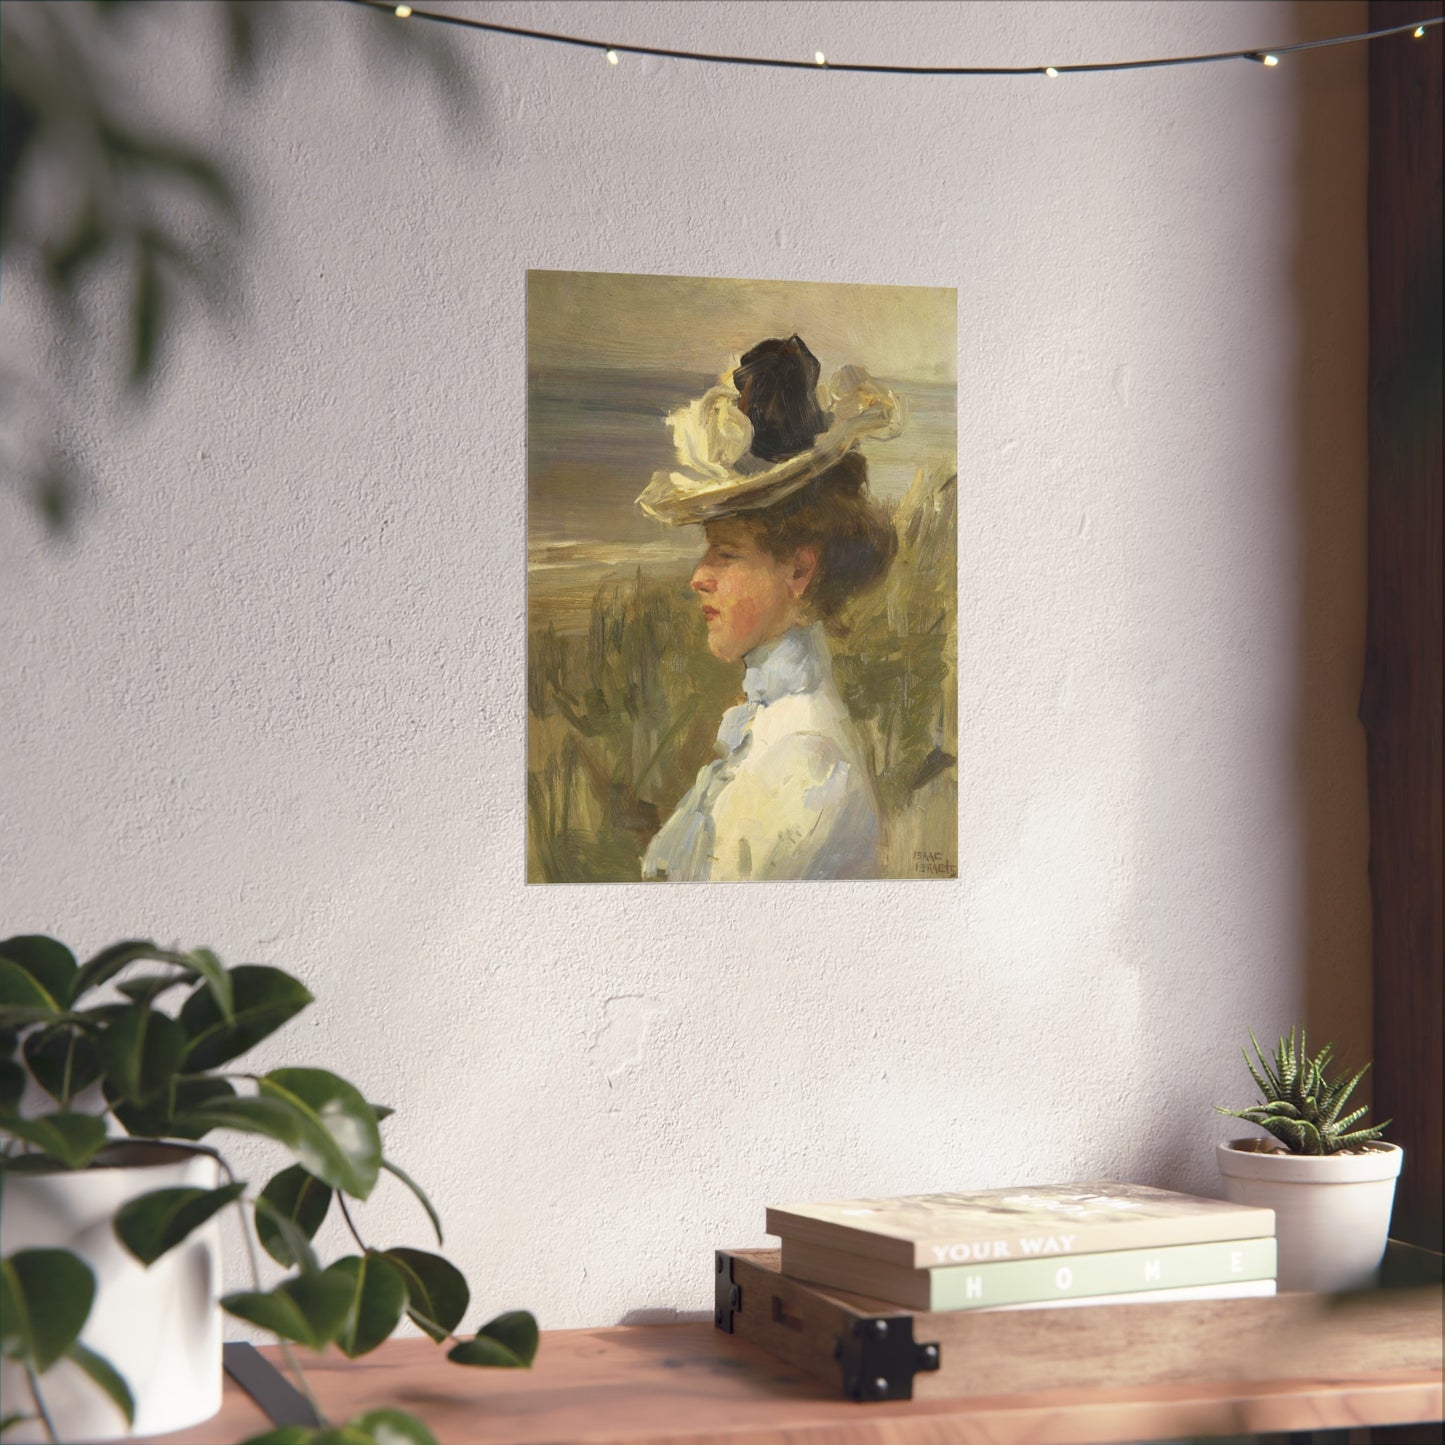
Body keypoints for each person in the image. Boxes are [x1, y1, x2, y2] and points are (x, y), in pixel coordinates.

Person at [635, 335, 903, 882]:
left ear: (799, 571)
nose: (698, 577)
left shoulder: (805, 762)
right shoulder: (766, 726)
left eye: (726, 553)